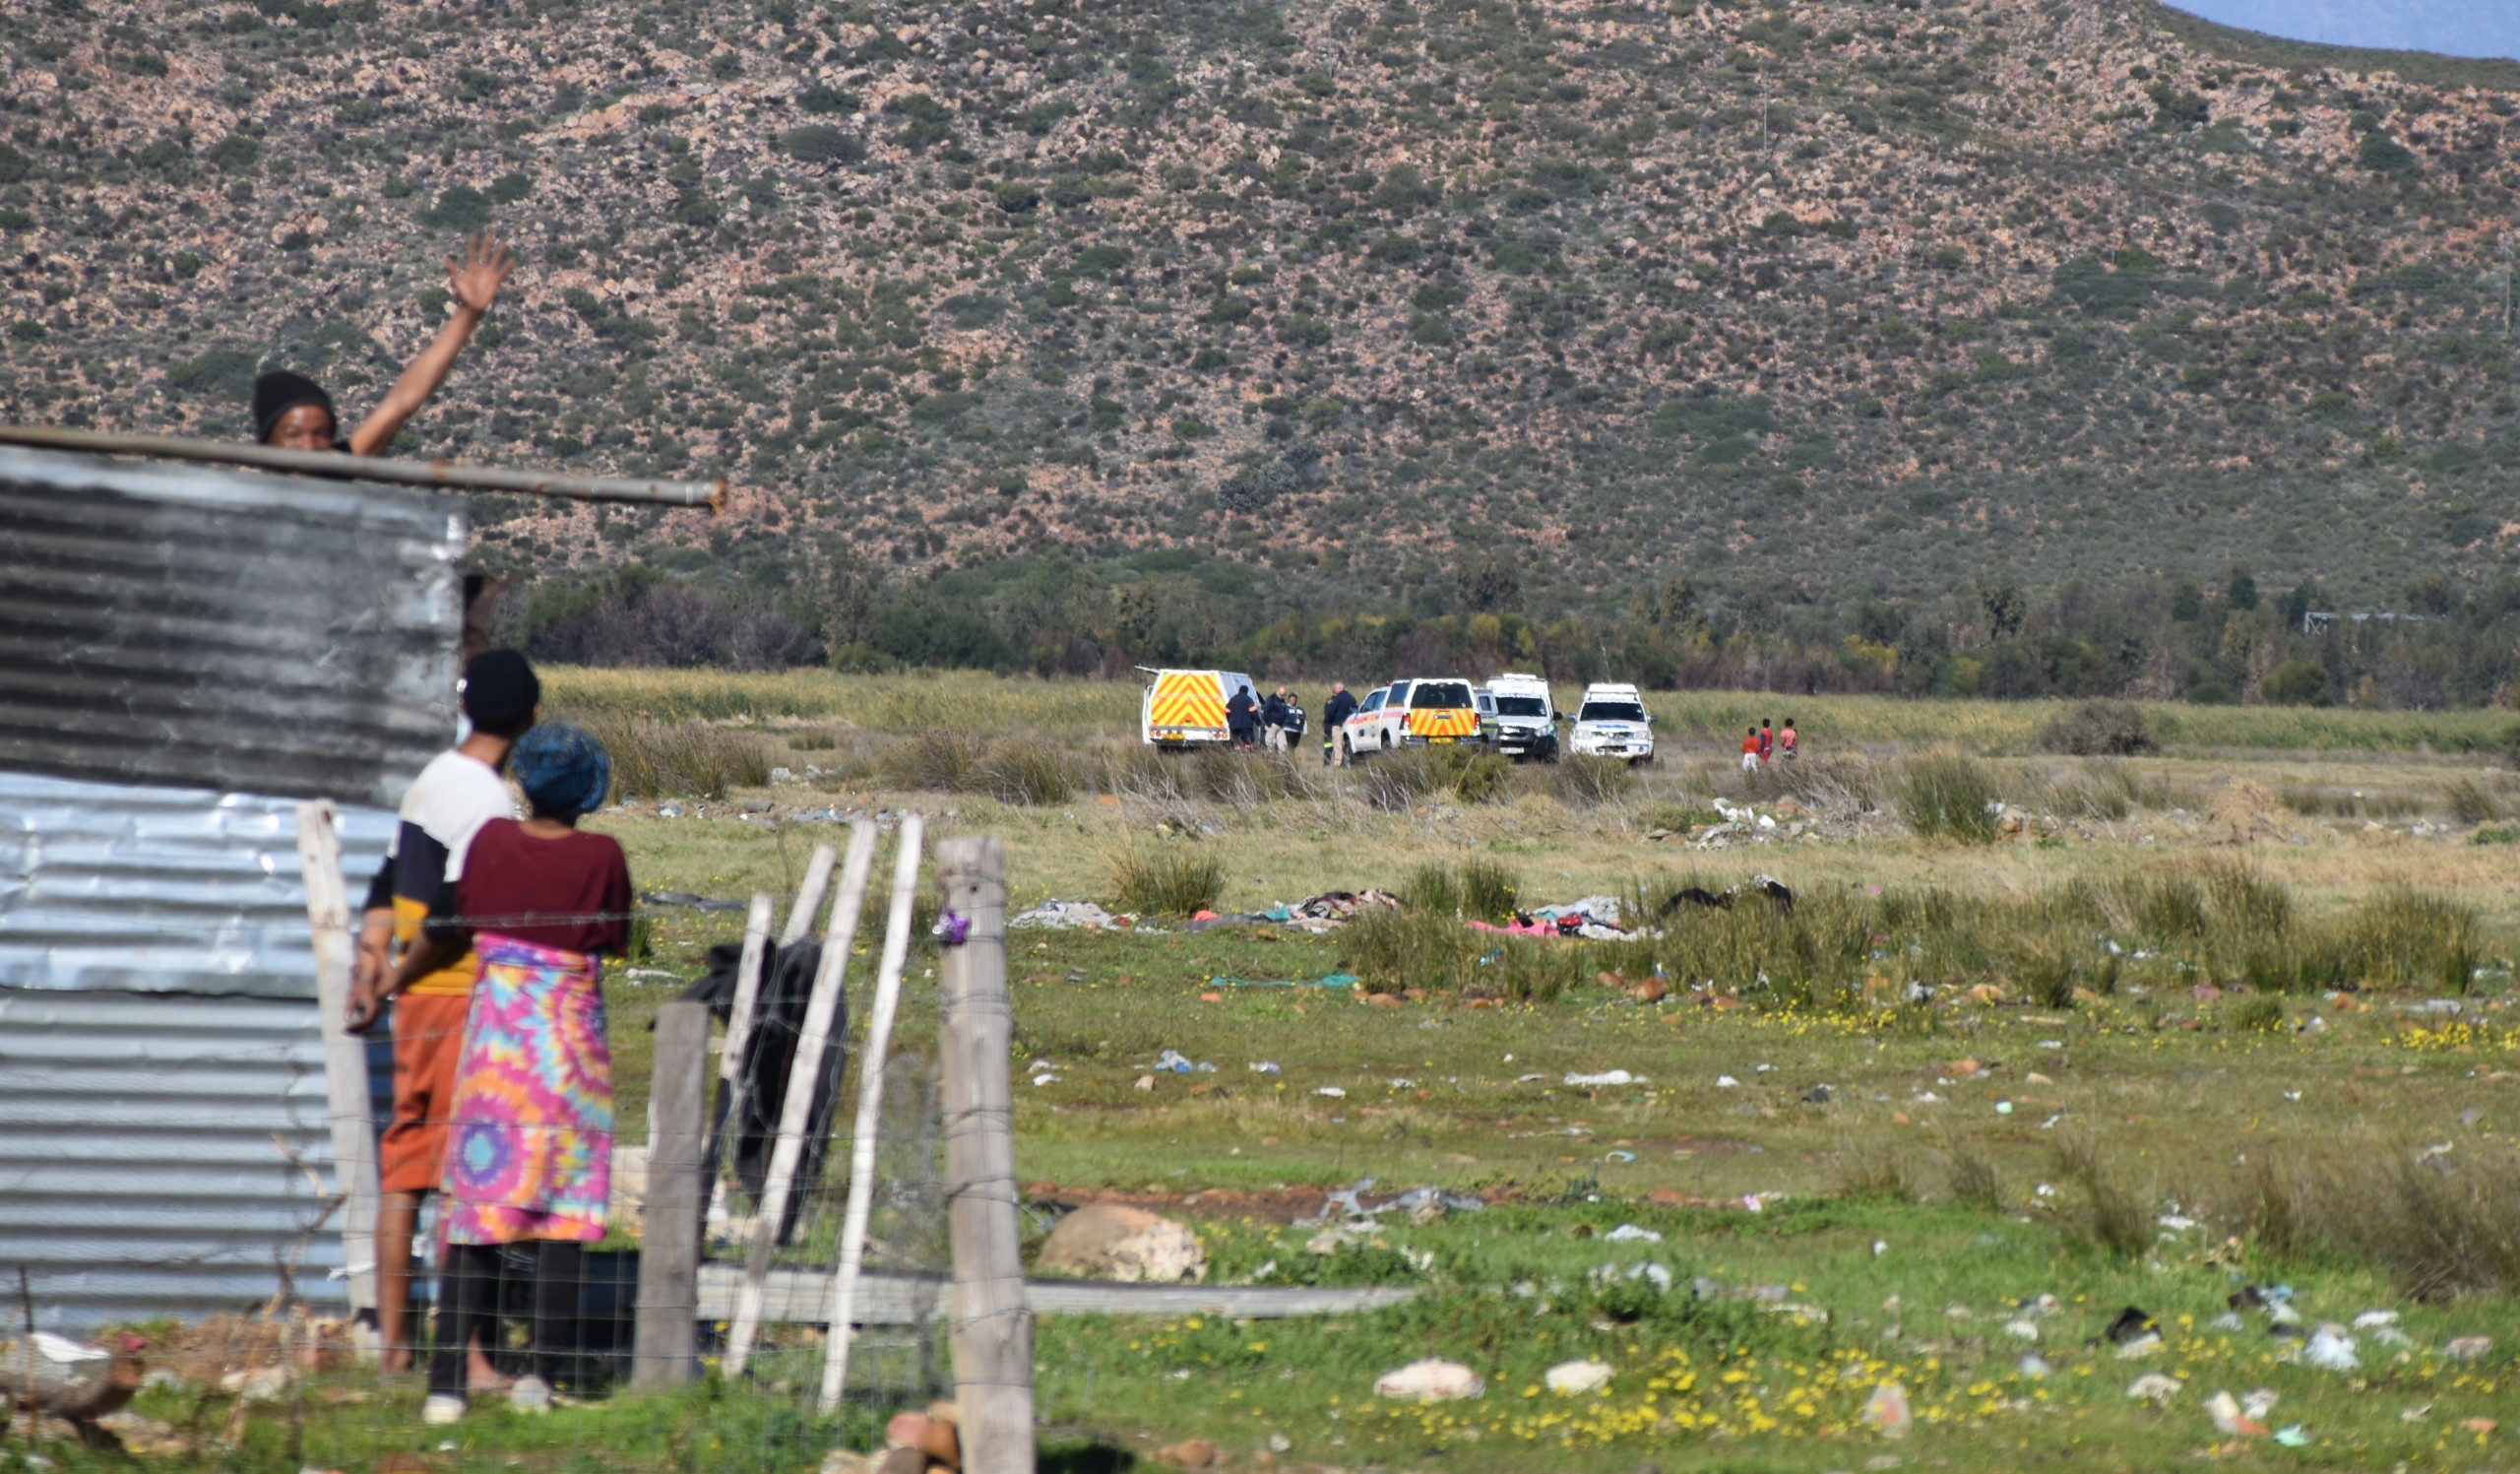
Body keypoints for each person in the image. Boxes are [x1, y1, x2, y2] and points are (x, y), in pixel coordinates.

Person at [380, 723, 632, 1425]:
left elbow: (449, 923)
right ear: (588, 791)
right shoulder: (603, 855)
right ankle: (540, 1375)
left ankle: (445, 1383)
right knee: (560, 1213)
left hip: (495, 1056)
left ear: (524, 781)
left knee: (479, 1211)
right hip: (569, 1060)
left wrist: (396, 979)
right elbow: (612, 936)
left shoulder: (488, 842)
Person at [345, 650, 540, 1377]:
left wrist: (370, 962)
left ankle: (397, 1350)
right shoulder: (487, 802)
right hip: (457, 996)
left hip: (416, 1008)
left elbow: (388, 879)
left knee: (406, 1175)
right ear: (528, 718)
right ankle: (473, 1357)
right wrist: (397, 972)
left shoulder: (430, 779)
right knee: (470, 1181)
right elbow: (455, 915)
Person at [255, 232, 515, 456]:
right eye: (293, 434)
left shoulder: (333, 471)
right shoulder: (238, 500)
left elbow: (401, 402)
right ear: (268, 440)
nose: (309, 447)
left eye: (321, 434)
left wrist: (468, 314)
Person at [1321, 681, 1356, 766]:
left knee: (1337, 745)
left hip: (1337, 724)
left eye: (1334, 689)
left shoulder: (1335, 699)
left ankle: (1337, 763)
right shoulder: (1351, 698)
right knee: (1347, 745)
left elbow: (1330, 712)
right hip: (1349, 724)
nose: (1333, 690)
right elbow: (1355, 710)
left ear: (1339, 689)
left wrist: (1329, 721)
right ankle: (1347, 762)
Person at [1226, 682, 1259, 748]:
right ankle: (1247, 754)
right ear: (1247, 692)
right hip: (1246, 726)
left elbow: (1227, 711)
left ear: (1239, 690)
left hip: (1234, 725)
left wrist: (1230, 720)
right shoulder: (1248, 699)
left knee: (1236, 742)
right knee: (1248, 741)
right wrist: (1258, 722)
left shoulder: (1232, 699)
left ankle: (1237, 754)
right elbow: (1253, 712)